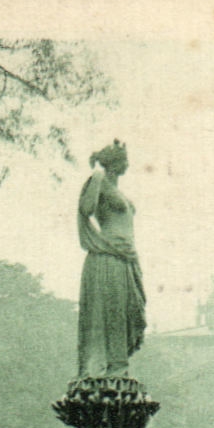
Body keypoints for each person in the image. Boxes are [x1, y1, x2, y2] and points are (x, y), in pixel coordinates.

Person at [76, 139, 146, 378]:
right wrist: (95, 179)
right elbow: (86, 210)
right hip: (108, 255)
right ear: (114, 163)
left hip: (125, 257)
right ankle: (102, 367)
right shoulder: (100, 183)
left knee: (125, 310)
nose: (127, 163)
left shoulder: (119, 191)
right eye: (123, 159)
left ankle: (118, 366)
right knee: (108, 309)